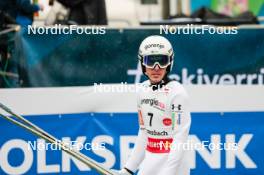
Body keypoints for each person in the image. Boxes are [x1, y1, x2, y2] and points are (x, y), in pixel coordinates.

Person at [112, 35, 191, 175]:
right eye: (150, 62)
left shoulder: (177, 93)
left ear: (169, 63)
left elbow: (180, 138)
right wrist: (128, 169)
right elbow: (144, 133)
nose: (156, 68)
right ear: (142, 64)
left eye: (162, 61)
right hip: (151, 161)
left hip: (174, 165)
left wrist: (169, 172)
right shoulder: (142, 90)